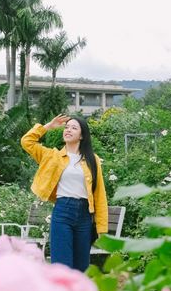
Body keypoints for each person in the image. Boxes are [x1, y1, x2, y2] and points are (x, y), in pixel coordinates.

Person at [20, 114, 108, 271]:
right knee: (61, 266)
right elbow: (27, 142)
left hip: (84, 215)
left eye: (74, 128)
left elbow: (99, 195)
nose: (68, 130)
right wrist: (48, 126)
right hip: (63, 211)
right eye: (66, 127)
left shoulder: (92, 160)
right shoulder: (52, 156)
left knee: (81, 266)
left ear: (82, 136)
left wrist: (102, 229)